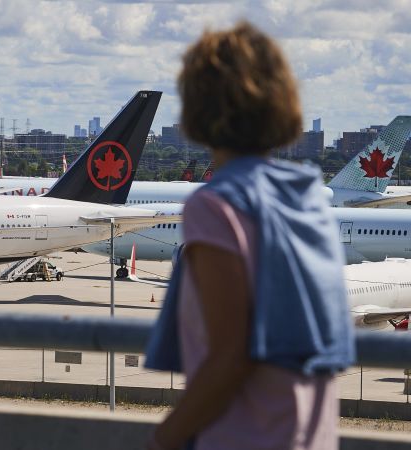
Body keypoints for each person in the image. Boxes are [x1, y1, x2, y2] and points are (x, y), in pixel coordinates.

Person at [144, 22, 354, 450]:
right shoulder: (310, 196)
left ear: (196, 109)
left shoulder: (216, 205)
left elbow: (230, 356)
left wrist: (165, 438)